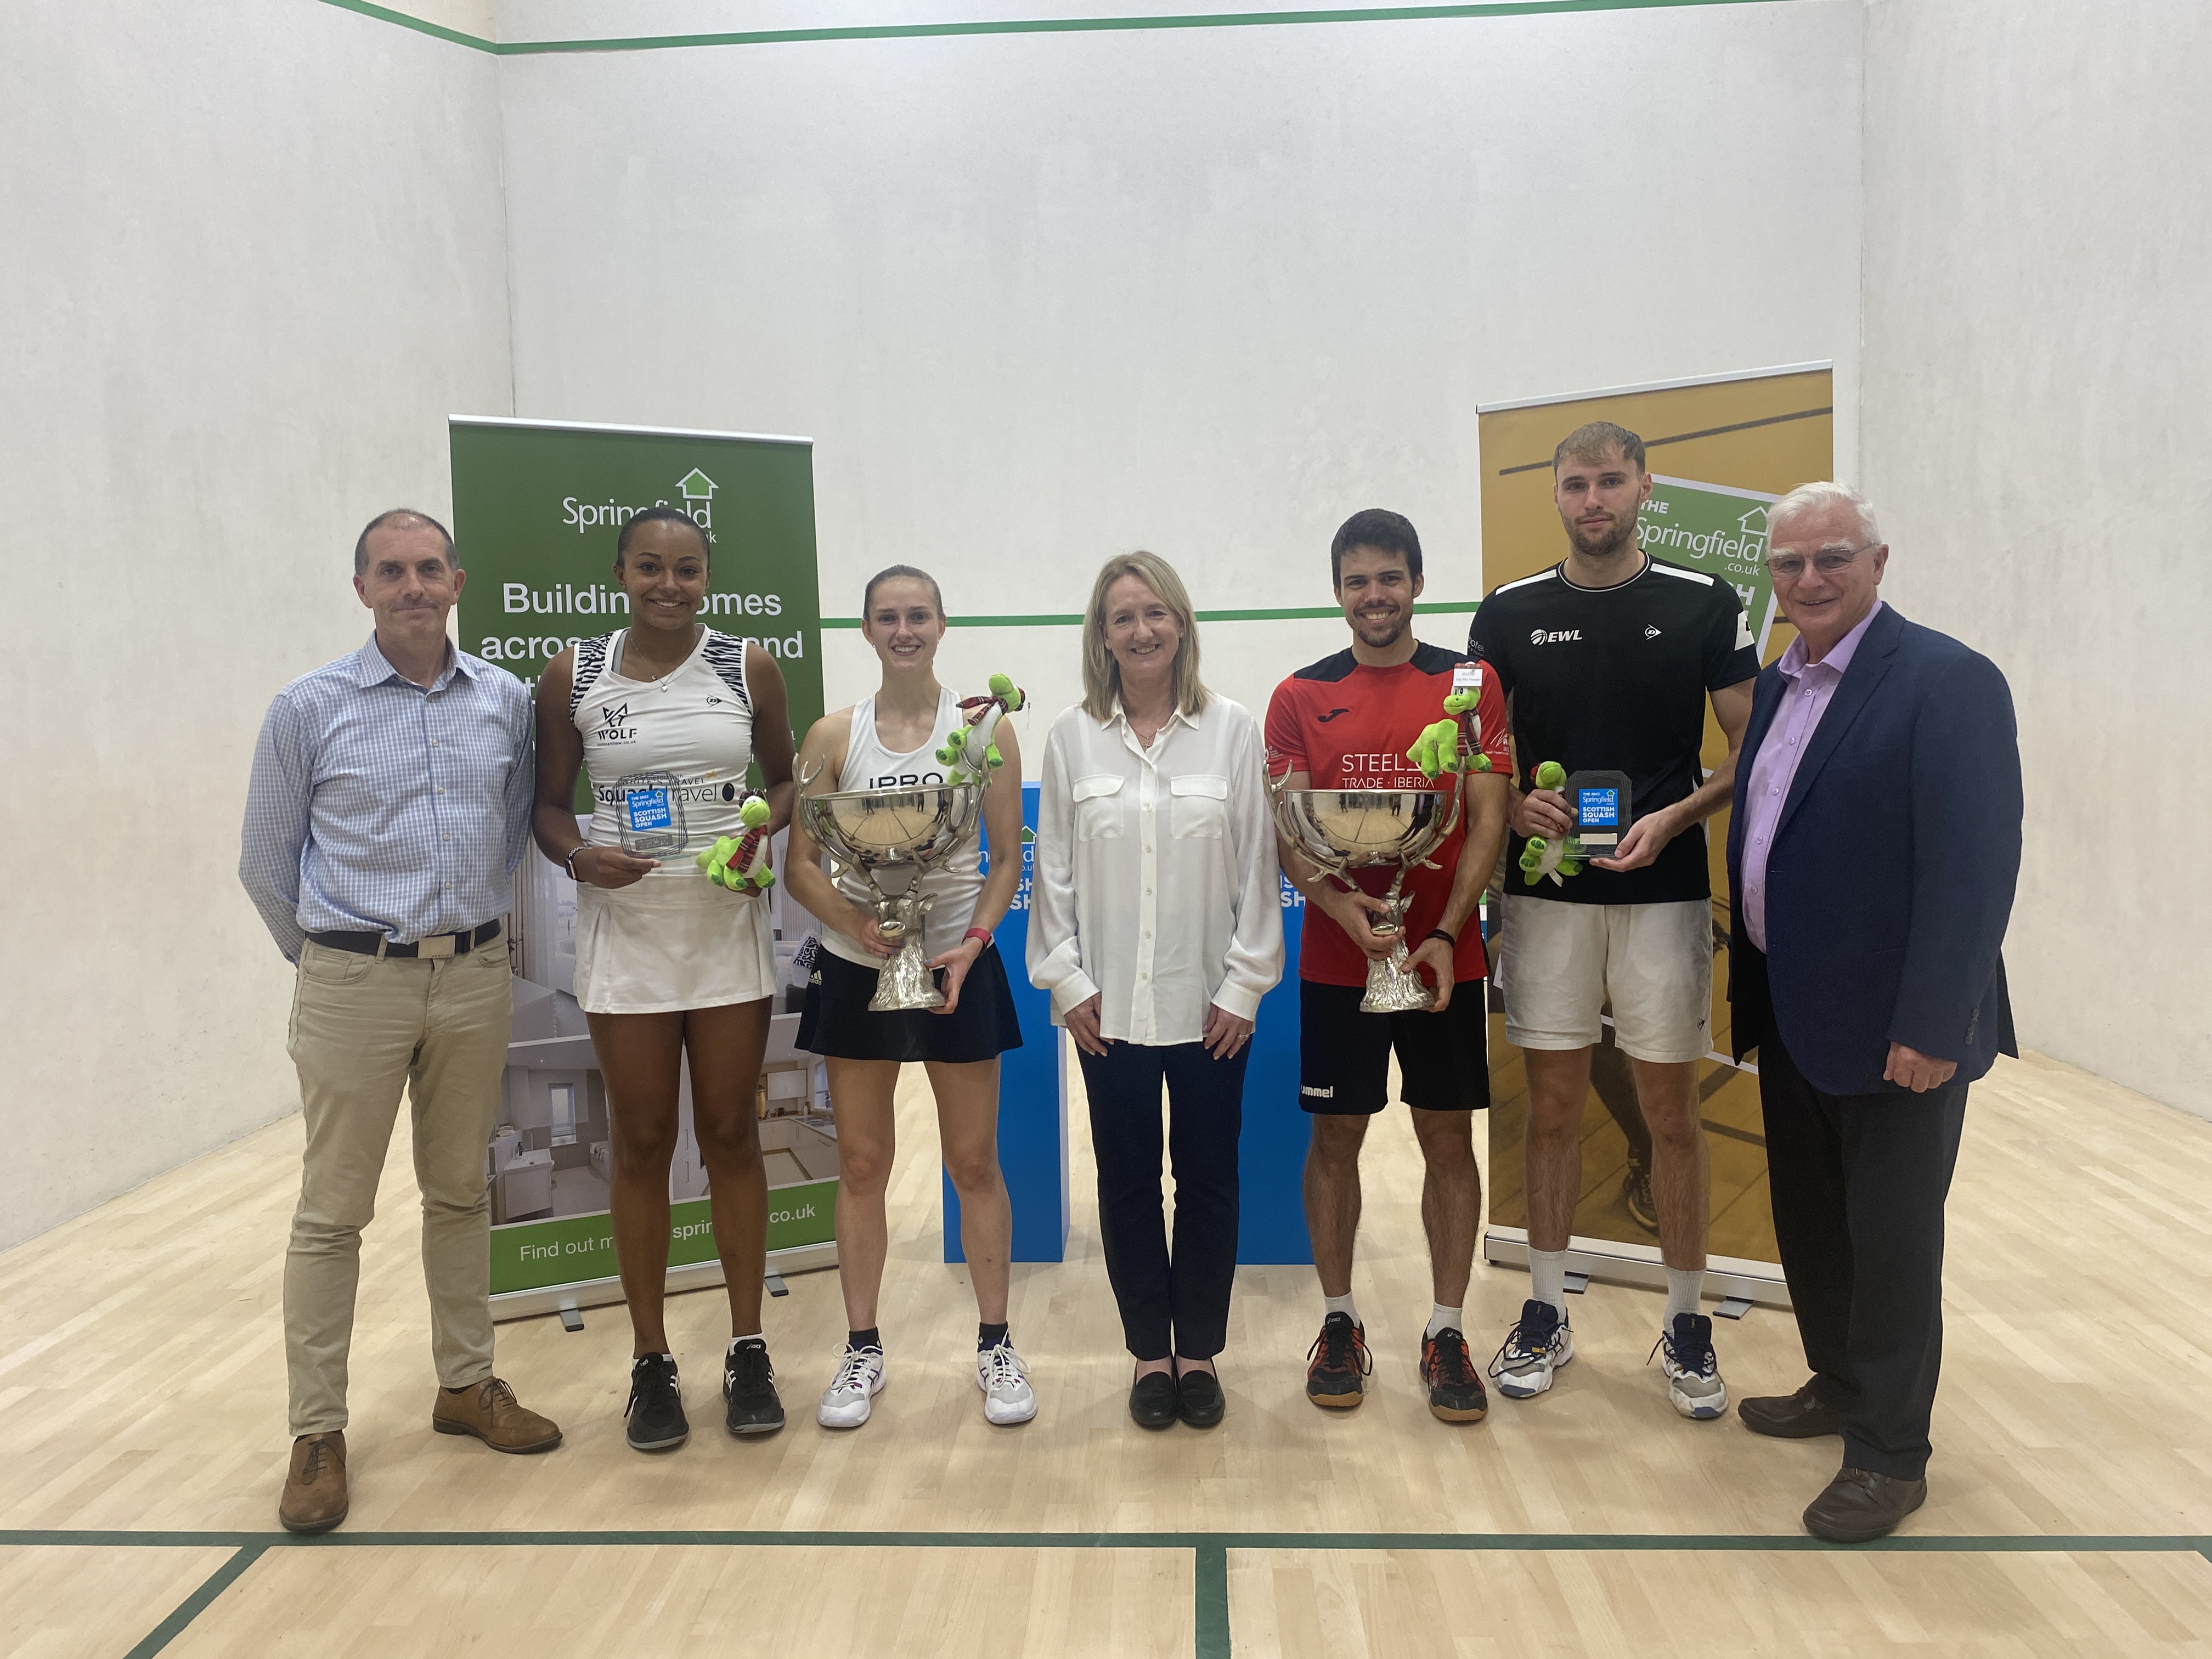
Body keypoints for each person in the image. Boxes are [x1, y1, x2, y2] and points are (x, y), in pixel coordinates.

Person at [240, 509, 562, 1537]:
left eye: (429, 568)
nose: (413, 585)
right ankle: (317, 1432)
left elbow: (518, 830)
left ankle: (466, 1386)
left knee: (461, 1192)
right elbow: (264, 862)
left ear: (458, 582)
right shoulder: (307, 707)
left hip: (471, 975)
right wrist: (333, 964)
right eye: (393, 571)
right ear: (363, 588)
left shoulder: (506, 703)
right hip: (351, 981)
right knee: (332, 1213)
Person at [1726, 482, 2020, 1543]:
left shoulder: (1947, 682)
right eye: (1790, 564)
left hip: (1901, 1031)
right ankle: (1841, 1382)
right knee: (1813, 1225)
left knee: (1892, 1242)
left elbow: (1975, 869)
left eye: (1832, 558)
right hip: (1796, 1013)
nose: (1809, 580)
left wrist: (1936, 1025)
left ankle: (1892, 1456)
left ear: (1878, 562)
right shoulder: (1776, 687)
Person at [1468, 421, 1757, 1419]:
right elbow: (1479, 756)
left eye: (1610, 482)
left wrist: (1678, 816)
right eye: (1576, 484)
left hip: (1664, 896)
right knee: (1550, 1112)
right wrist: (1515, 803)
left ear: (1644, 489)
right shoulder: (1506, 614)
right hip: (1546, 902)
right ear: (1555, 496)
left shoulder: (1702, 603)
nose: (1593, 500)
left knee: (1671, 1118)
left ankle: (1688, 1325)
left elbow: (1748, 751)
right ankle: (1545, 1311)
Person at [532, 506, 796, 1453]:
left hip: (725, 925)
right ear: (620, 573)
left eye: (687, 570)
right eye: (651, 568)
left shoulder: (748, 667)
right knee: (642, 1140)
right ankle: (650, 1359)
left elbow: (789, 779)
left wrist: (763, 829)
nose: (669, 585)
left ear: (707, 579)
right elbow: (550, 808)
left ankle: (748, 1347)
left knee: (730, 1131)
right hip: (627, 932)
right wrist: (578, 862)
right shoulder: (574, 675)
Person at [1030, 553, 1285, 1429]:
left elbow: (1258, 866)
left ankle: (1200, 1350)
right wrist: (1065, 982)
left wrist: (1246, 988)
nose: (1140, 631)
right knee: (1129, 1184)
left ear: (1181, 622)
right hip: (1111, 1014)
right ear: (1101, 637)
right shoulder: (1071, 738)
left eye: (1154, 614)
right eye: (1121, 618)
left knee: (1210, 1182)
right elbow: (1051, 870)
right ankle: (1149, 1352)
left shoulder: (1234, 729)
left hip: (1213, 1008)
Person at [1267, 510, 1511, 1423]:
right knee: (1337, 1139)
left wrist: (1445, 931)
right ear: (1339, 591)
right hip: (1339, 961)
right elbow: (1293, 835)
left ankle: (1447, 1330)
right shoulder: (1298, 694)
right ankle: (1340, 1322)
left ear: (1417, 581)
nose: (1376, 596)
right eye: (1358, 581)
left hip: (1448, 956)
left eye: (1391, 578)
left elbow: (1487, 817)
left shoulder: (1471, 684)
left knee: (1448, 1138)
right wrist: (1340, 908)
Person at [785, 565, 1036, 1430]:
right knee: (861, 1163)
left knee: (973, 1162)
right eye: (888, 617)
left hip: (957, 967)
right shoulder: (830, 735)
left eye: (918, 615)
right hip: (859, 969)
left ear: (940, 624)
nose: (904, 630)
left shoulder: (983, 734)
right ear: (865, 629)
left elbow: (1005, 861)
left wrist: (969, 948)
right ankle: (861, 1351)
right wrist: (856, 927)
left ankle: (997, 1345)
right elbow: (802, 868)